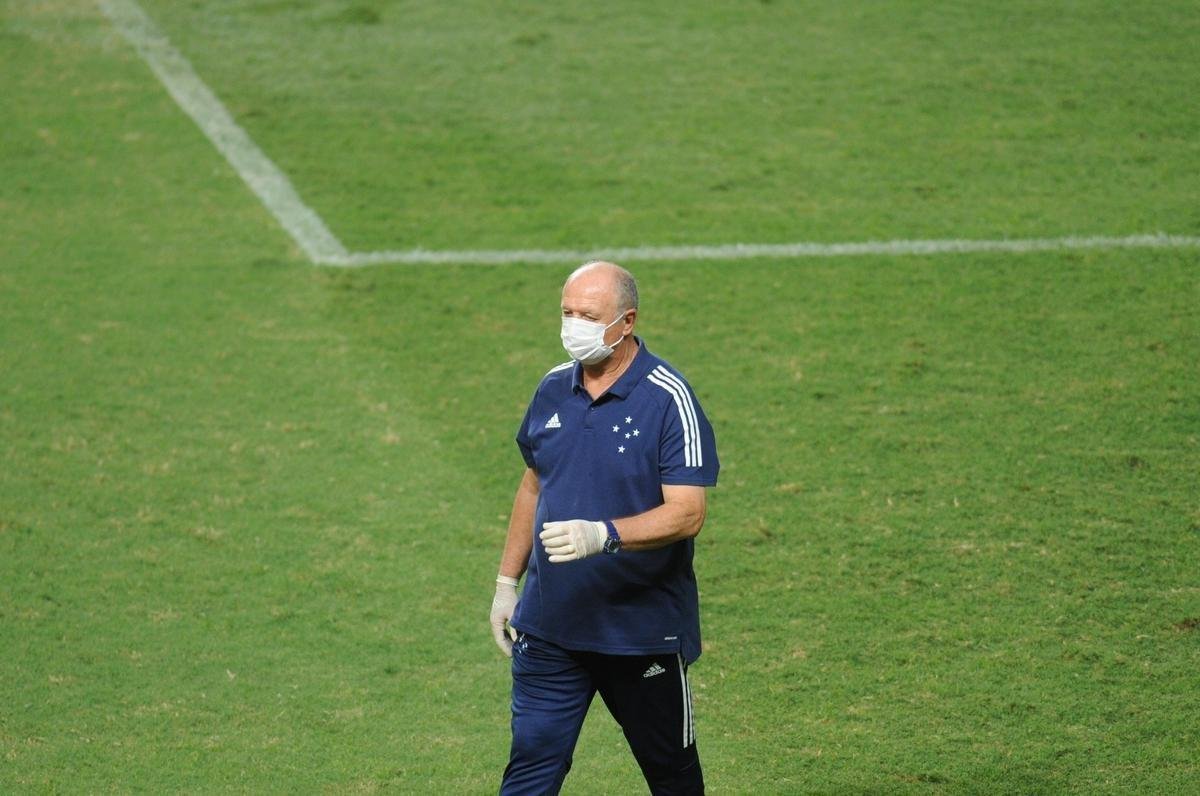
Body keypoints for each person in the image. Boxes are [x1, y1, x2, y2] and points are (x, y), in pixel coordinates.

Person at [489, 261, 719, 795]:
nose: (574, 326)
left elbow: (688, 511)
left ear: (627, 321)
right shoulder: (551, 388)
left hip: (639, 634)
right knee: (530, 772)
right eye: (567, 312)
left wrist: (604, 535)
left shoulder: (668, 399)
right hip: (550, 628)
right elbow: (534, 483)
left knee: (673, 778)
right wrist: (506, 584)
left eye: (589, 315)